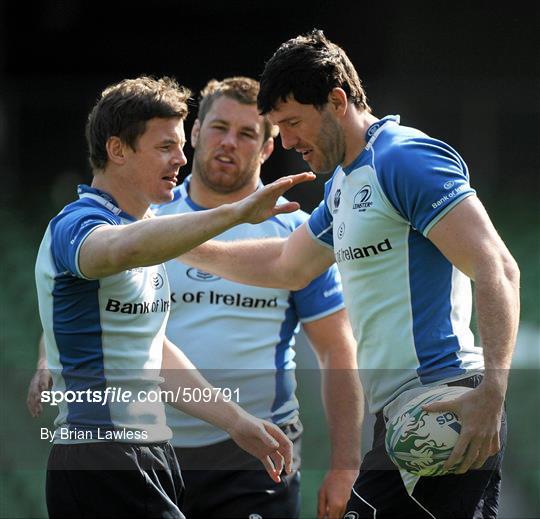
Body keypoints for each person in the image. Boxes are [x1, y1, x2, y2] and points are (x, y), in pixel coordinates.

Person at [177, 31, 521, 518]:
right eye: (279, 126)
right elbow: (285, 264)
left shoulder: (403, 158)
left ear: (337, 101)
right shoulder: (343, 184)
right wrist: (171, 242)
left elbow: (498, 268)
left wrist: (492, 393)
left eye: (294, 123)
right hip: (402, 417)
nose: (290, 141)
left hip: (445, 405)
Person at [33, 75, 314, 518]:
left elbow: (156, 355)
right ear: (117, 149)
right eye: (166, 147)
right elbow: (119, 247)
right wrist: (236, 212)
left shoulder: (145, 230)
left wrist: (237, 422)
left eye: (182, 145)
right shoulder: (79, 224)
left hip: (151, 455)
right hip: (103, 457)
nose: (182, 159)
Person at [154, 76, 362, 519]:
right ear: (194, 133)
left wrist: (346, 464)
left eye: (248, 133)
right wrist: (45, 356)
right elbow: (86, 310)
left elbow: (337, 350)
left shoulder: (297, 234)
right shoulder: (147, 220)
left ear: (268, 148)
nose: (230, 142)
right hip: (154, 451)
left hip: (258, 457)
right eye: (218, 127)